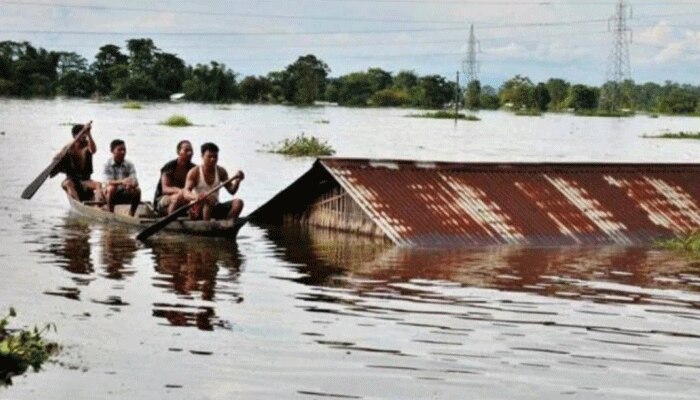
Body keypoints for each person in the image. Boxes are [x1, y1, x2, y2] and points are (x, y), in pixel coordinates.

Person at [184, 142, 244, 221]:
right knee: (209, 199)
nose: (213, 159)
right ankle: (206, 225)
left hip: (214, 206)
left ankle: (227, 224)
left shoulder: (221, 171)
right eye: (209, 157)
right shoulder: (195, 172)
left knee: (238, 203)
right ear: (202, 156)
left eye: (215, 156)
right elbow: (186, 193)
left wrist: (237, 181)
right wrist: (197, 197)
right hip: (197, 209)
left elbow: (232, 191)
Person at [51, 124, 102, 202]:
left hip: (85, 180)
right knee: (68, 183)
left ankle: (98, 204)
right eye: (83, 134)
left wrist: (89, 133)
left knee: (98, 184)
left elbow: (93, 150)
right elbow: (56, 162)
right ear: (75, 135)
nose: (84, 136)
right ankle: (77, 203)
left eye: (85, 134)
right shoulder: (68, 148)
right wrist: (57, 157)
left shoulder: (87, 145)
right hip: (71, 180)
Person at [153, 140, 195, 215]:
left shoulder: (193, 169)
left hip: (185, 199)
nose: (190, 153)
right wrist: (180, 191)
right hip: (163, 199)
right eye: (186, 150)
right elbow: (165, 189)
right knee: (178, 198)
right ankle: (171, 219)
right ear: (179, 152)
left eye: (191, 150)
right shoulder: (170, 167)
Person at [103, 139, 141, 216]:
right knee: (111, 188)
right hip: (109, 193)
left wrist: (131, 184)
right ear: (112, 151)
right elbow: (108, 181)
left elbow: (134, 179)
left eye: (124, 149)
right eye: (119, 150)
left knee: (137, 190)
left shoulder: (129, 164)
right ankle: (110, 213)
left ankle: (131, 214)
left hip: (124, 192)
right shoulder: (107, 164)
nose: (123, 152)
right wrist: (122, 182)